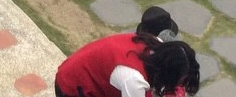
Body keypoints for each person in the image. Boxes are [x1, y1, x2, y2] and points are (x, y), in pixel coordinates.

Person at [54, 32, 198, 97]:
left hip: (77, 69)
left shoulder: (154, 44)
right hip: (70, 87)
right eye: (179, 80)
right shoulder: (134, 80)